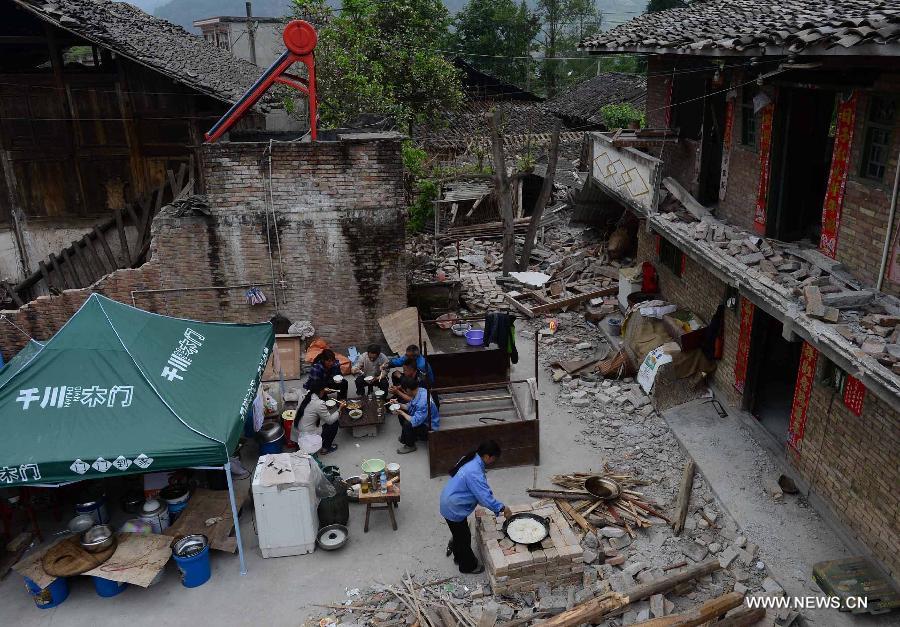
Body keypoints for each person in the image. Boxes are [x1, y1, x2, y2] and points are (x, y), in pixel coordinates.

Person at [439, 441, 512, 574]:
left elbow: (479, 493)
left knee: (459, 534)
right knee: (464, 537)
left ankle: (458, 557)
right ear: (486, 456)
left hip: (450, 500)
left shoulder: (471, 458)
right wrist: (502, 508)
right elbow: (484, 498)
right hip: (453, 507)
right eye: (493, 458)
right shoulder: (474, 472)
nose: (493, 461)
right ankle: (468, 566)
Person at [293, 379, 341, 455]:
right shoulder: (319, 403)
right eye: (324, 389)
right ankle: (326, 448)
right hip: (308, 435)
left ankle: (299, 446)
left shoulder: (305, 396)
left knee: (324, 420)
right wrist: (340, 409)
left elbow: (311, 411)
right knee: (334, 422)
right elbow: (330, 420)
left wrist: (325, 408)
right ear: (321, 390)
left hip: (298, 431)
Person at [395, 376, 439, 454]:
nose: (405, 392)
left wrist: (402, 412)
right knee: (401, 415)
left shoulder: (423, 401)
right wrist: (398, 405)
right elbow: (410, 406)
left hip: (429, 427)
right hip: (422, 419)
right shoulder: (420, 390)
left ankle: (410, 445)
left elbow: (415, 421)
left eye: (404, 391)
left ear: (408, 389)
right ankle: (408, 437)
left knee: (407, 424)